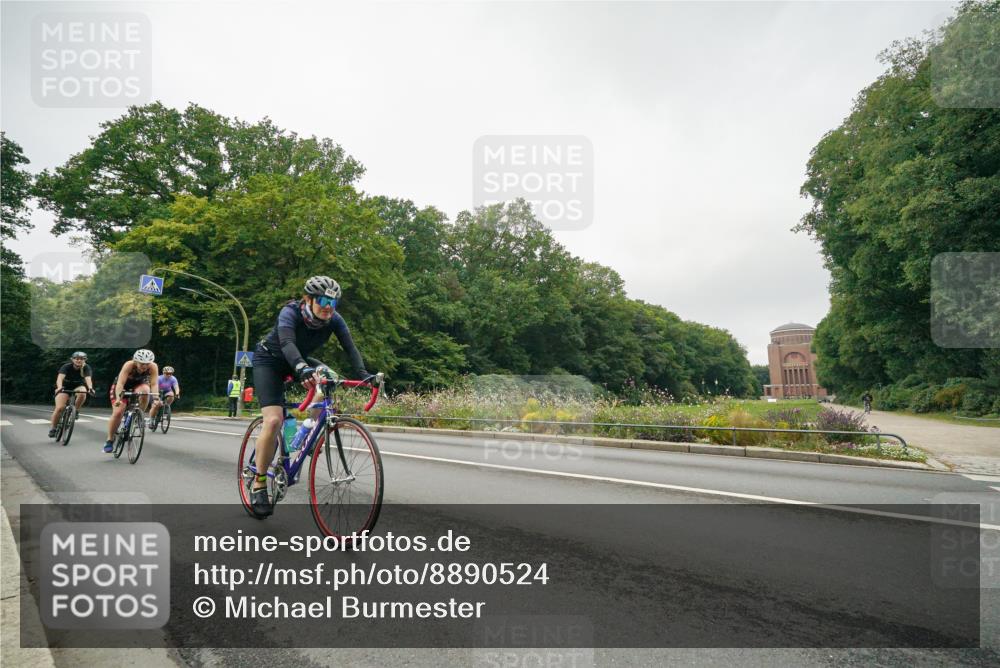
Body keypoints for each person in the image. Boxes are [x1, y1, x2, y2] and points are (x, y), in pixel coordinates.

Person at [249, 276, 374, 518]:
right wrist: (299, 367)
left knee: (330, 378)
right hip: (271, 361)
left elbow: (350, 347)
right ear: (309, 299)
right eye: (324, 300)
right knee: (273, 421)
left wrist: (363, 374)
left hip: (300, 362)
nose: (329, 306)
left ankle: (309, 427)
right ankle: (259, 482)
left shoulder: (334, 320)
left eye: (334, 302)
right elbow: (286, 342)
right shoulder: (291, 312)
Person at [104, 349, 158, 453]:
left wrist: (155, 398)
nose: (144, 366)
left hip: (139, 384)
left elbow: (154, 384)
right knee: (118, 412)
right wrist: (119, 399)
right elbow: (120, 383)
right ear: (135, 361)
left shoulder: (153, 366)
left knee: (146, 391)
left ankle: (139, 414)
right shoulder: (129, 365)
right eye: (142, 364)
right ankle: (109, 440)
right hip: (123, 386)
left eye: (147, 364)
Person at [48, 351, 96, 437]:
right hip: (64, 388)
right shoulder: (66, 367)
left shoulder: (86, 368)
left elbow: (88, 379)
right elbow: (60, 378)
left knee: (83, 392)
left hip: (78, 387)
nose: (79, 360)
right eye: (76, 359)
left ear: (85, 360)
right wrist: (59, 387)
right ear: (72, 359)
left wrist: (90, 388)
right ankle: (53, 428)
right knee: (60, 408)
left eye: (81, 359)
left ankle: (76, 410)